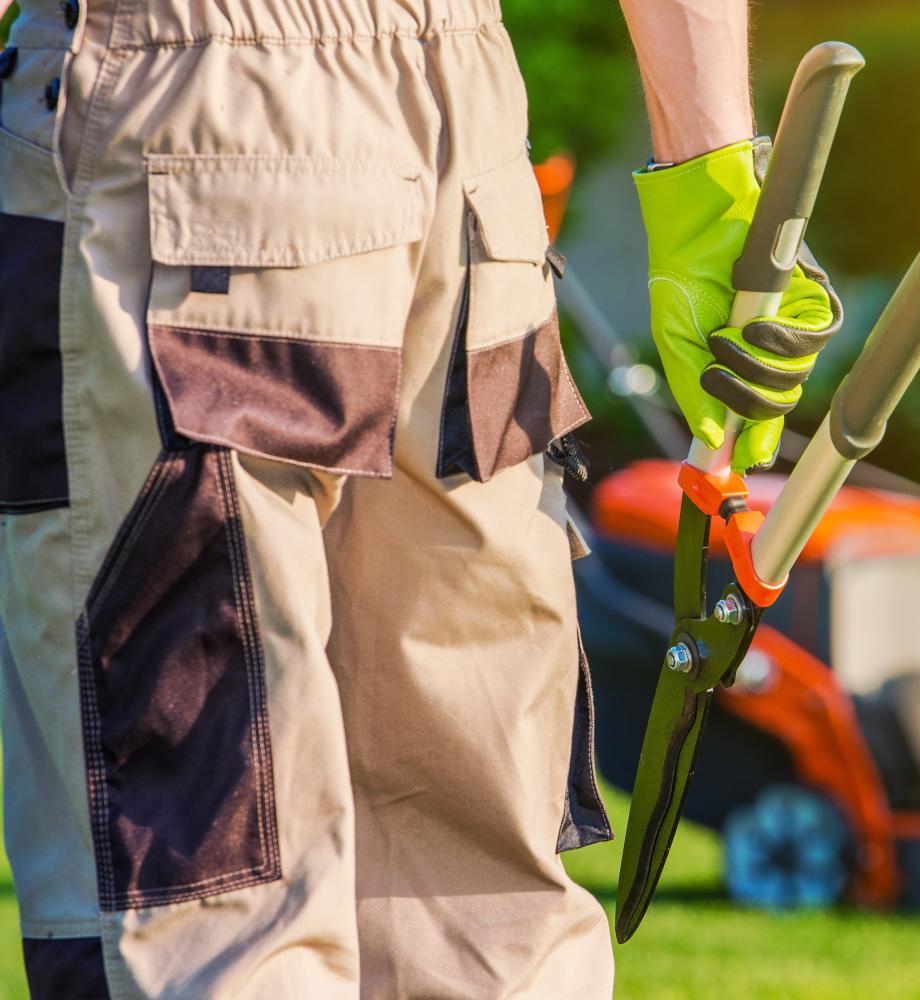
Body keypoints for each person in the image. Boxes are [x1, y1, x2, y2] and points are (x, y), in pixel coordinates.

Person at [0, 0, 836, 995]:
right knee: (480, 925)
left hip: (177, 107)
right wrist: (710, 183)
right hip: (466, 141)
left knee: (206, 902)